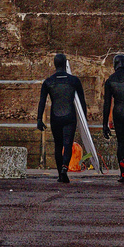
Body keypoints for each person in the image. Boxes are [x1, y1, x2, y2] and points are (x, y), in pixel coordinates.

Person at [36, 53, 86, 183]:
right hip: (70, 116)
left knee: (58, 145)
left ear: (54, 64)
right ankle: (65, 167)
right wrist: (84, 120)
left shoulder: (49, 81)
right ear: (65, 64)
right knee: (68, 143)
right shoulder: (74, 80)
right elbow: (82, 102)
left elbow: (42, 102)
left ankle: (60, 174)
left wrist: (39, 119)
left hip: (55, 116)